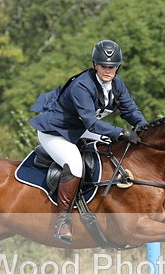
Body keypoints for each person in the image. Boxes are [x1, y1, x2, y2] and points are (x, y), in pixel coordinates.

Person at [29, 39, 148, 243]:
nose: (108, 70)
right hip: (56, 132)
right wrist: (121, 132)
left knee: (112, 149)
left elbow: (130, 110)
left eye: (112, 66)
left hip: (80, 130)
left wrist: (146, 130)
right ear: (95, 65)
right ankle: (62, 222)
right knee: (74, 165)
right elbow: (92, 123)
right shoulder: (82, 85)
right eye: (104, 66)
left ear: (118, 67)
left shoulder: (117, 83)